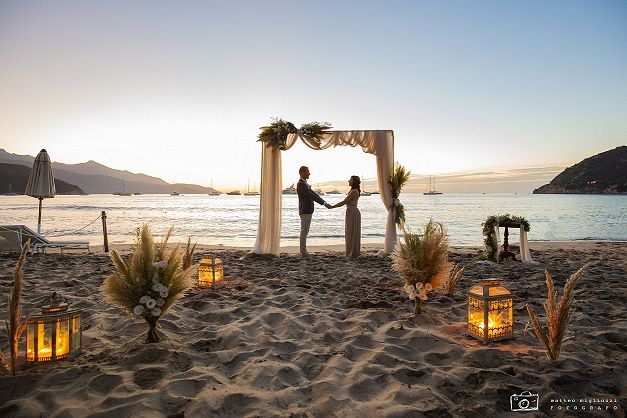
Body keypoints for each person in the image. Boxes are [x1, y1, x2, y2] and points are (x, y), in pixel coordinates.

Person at [297, 166, 331, 256]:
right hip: (305, 210)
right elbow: (311, 195)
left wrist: (324, 202)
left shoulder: (305, 183)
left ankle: (303, 251)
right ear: (302, 172)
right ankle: (303, 251)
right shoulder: (301, 184)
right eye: (308, 172)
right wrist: (324, 203)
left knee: (305, 231)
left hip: (307, 210)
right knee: (304, 231)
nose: (309, 173)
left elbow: (314, 194)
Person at [328, 175, 361, 258]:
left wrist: (332, 206)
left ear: (354, 182)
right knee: (350, 232)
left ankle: (352, 252)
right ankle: (351, 251)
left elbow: (344, 202)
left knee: (351, 232)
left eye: (350, 180)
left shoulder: (354, 191)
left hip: (352, 212)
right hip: (351, 211)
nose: (348, 181)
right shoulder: (353, 190)